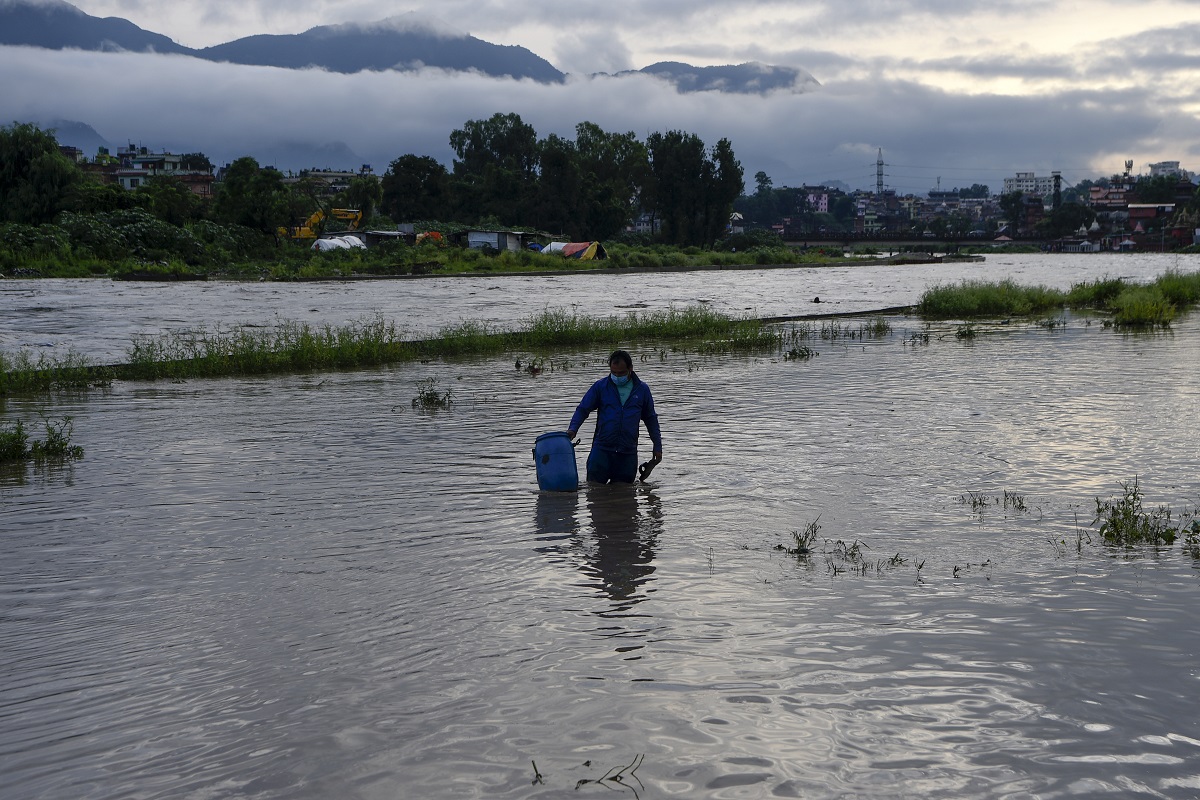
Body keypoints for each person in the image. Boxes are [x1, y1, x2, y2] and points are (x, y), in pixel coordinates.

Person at [566, 350, 662, 484]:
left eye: (621, 373)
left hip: (627, 453)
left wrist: (657, 446)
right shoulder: (601, 387)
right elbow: (583, 409)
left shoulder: (642, 390)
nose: (617, 376)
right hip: (602, 451)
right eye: (613, 373)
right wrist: (573, 430)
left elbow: (651, 419)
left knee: (625, 498)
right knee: (595, 492)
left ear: (630, 369)